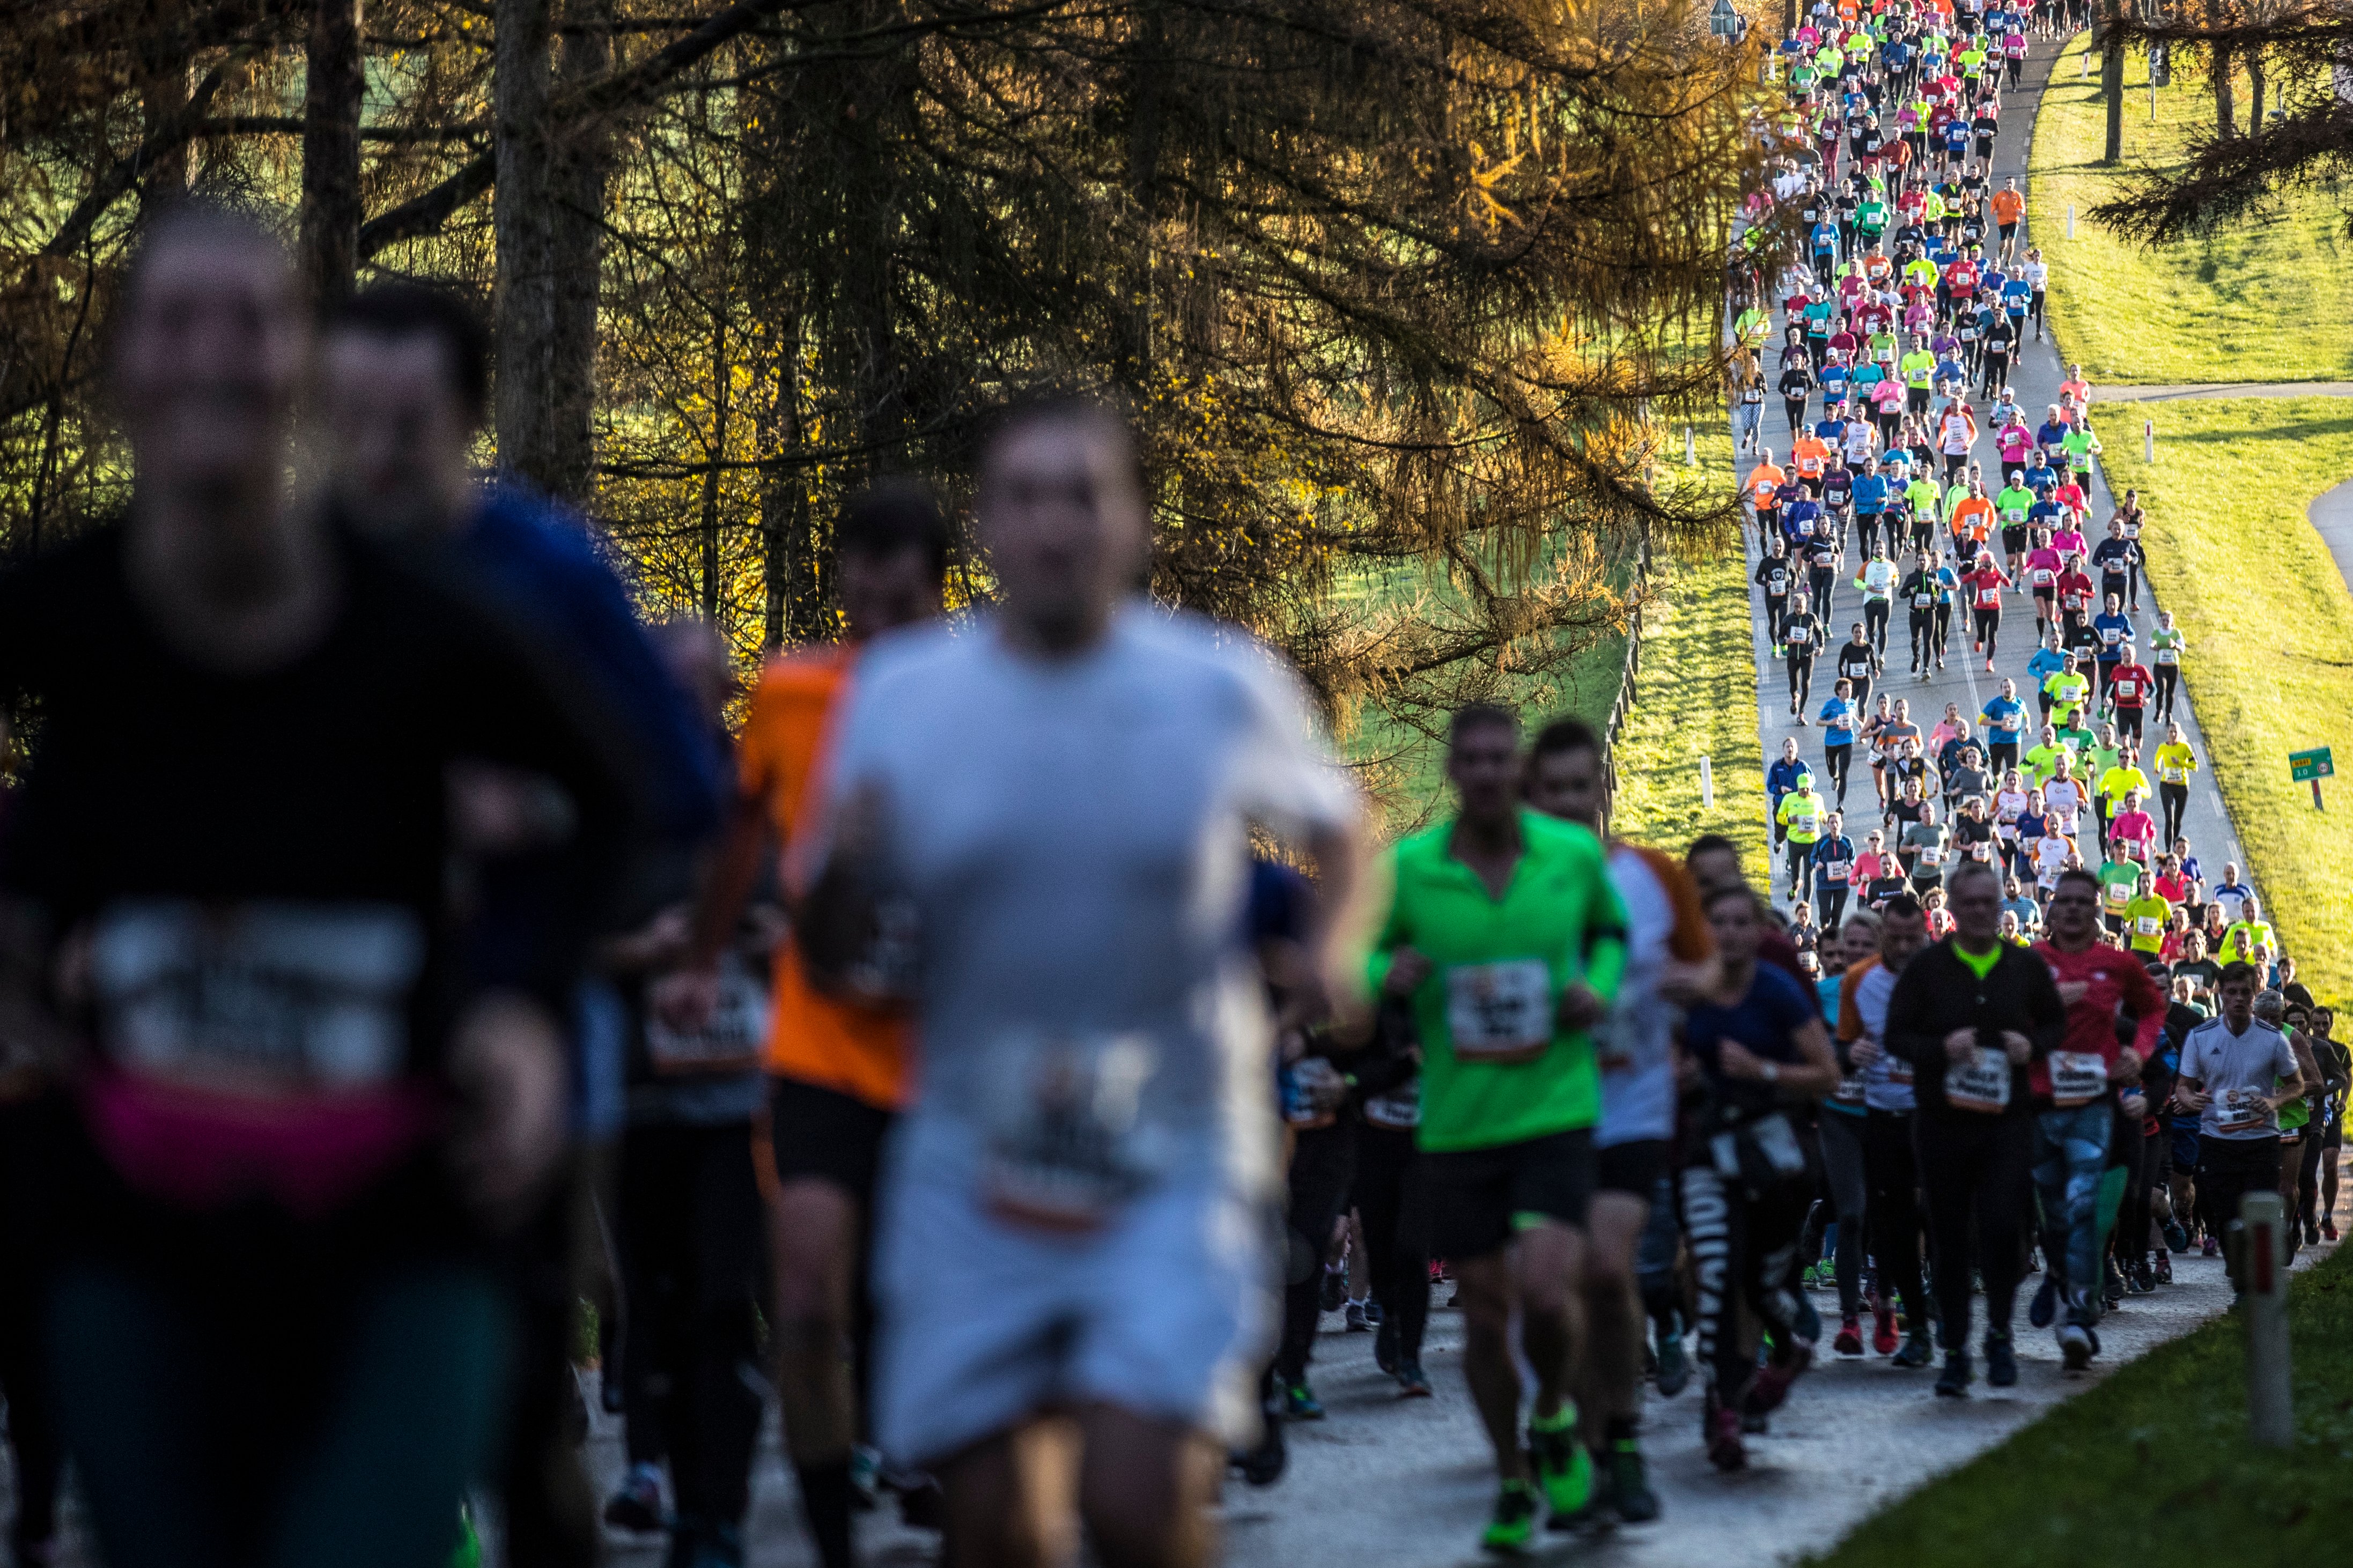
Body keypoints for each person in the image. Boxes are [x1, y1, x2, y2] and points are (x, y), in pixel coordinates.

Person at [0, 205, 639, 1568]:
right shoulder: (69, 617)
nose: (213, 358)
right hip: (134, 1233)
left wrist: (525, 999)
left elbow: (627, 800)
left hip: (395, 1225)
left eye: (252, 320)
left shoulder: (426, 625)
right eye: (177, 322)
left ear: (300, 367)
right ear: (123, 367)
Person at [794, 396, 1364, 1568]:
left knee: (1137, 1498)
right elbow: (827, 946)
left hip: (1173, 1139)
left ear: (1132, 525)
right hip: (972, 1142)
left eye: (1083, 497)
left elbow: (1340, 827)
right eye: (1026, 498)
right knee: (996, 1522)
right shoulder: (902, 699)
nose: (1055, 526)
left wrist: (1336, 949)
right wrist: (847, 877)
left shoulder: (1215, 686)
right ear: (988, 527)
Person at [320, 279, 727, 1568]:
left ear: (467, 418)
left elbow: (682, 795)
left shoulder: (546, 570)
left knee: (506, 1379)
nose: (377, 454)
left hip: (522, 1012)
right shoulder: (299, 563)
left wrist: (526, 803)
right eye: (353, 419)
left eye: (409, 423)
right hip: (335, 1022)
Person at [655, 484, 951, 1567]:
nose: (874, 617)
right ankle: (836, 1541)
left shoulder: (984, 693)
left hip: (952, 1055)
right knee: (811, 1291)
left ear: (939, 590)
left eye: (901, 598)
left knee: (928, 1294)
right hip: (821, 1044)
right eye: (858, 594)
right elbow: (742, 827)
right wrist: (699, 958)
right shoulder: (790, 691)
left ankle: (955, 1476)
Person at [1368, 706, 1625, 1550]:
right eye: (1468, 760)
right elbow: (1354, 954)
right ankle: (1513, 1477)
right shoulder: (1409, 869)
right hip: (1457, 1123)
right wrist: (1385, 970)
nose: (1483, 773)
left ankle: (1553, 1412)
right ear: (1453, 771)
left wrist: (1597, 984)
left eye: (1495, 759)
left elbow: (1609, 933)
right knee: (1483, 1317)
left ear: (1513, 769)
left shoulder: (1571, 855)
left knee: (1548, 1293)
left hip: (1553, 1109)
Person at [599, 622, 773, 1565]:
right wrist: (646, 949)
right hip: (636, 1095)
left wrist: (755, 938)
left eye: (700, 684)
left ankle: (719, 1508)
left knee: (718, 1299)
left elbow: (807, 930)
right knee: (648, 1305)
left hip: (734, 1098)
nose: (684, 700)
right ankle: (658, 1480)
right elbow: (571, 933)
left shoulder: (755, 804)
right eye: (667, 684)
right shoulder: (613, 796)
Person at [1523, 720, 1717, 1527]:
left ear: (1602, 790)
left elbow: (1707, 969)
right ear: (1536, 799)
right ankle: (1581, 1442)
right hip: (1543, 1108)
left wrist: (1682, 979)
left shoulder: (1653, 877)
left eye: (1581, 786)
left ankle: (1625, 1441)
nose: (1570, 802)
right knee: (1553, 1292)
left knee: (1605, 1271)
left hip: (1632, 1105)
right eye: (1553, 789)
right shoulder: (1517, 883)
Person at [1884, 861, 2068, 1396]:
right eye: (1970, 904)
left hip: (2007, 1123)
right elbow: (1896, 1036)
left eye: (1990, 902)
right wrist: (1939, 1049)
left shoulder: (2023, 966)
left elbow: (2055, 1022)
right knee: (1948, 1237)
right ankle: (1956, 1350)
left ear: (2001, 904)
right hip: (1942, 1123)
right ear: (1953, 908)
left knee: (2002, 1230)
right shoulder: (1927, 968)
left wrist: (2031, 1046)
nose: (1982, 912)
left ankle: (1999, 1336)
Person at [1676, 885, 1842, 1471]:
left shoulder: (1775, 991)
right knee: (1717, 1277)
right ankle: (1723, 1408)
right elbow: (1666, 1061)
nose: (1727, 933)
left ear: (1757, 931)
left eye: (1738, 922)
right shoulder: (1691, 989)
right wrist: (1684, 1075)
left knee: (1762, 1279)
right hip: (1706, 1151)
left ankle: (1789, 1347)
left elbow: (1826, 1073)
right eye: (1715, 921)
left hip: (1775, 1151)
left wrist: (1762, 1070)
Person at [2030, 870, 2165, 1370]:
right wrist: (2042, 1007)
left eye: (2081, 902)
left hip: (2092, 1103)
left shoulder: (2117, 963)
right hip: (2039, 1106)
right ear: (2050, 907)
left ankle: (2078, 1320)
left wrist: (2138, 1052)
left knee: (2084, 1208)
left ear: (2097, 906)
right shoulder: (2032, 964)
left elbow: (2152, 1012)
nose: (2071, 910)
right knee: (2052, 1215)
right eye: (2062, 901)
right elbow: (1998, 1017)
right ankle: (2058, 1280)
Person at [2178, 965, 2305, 1296]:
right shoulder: (2200, 1036)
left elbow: (2297, 1085)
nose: (2238, 999)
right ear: (2220, 993)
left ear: (2254, 994)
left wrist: (2275, 1102)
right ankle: (2238, 1267)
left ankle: (2251, 1290)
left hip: (2261, 1140)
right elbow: (2184, 1087)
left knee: (2258, 1216)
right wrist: (2190, 1099)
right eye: (2231, 992)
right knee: (2228, 1219)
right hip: (2216, 1140)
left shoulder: (2274, 1039)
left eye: (2245, 993)